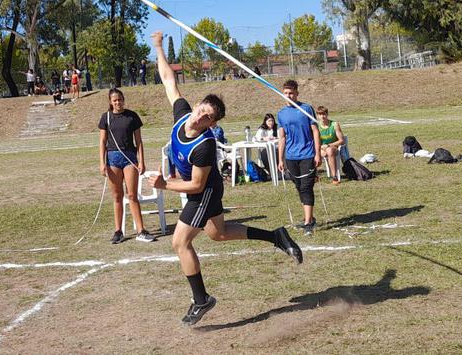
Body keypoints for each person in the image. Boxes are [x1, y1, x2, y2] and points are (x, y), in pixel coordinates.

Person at [146, 31, 303, 326]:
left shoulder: (204, 146)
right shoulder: (182, 115)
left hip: (203, 190)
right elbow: (169, 80)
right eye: (201, 110)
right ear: (196, 106)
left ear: (212, 124)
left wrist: (163, 184)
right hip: (200, 188)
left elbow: (195, 186)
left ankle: (201, 299)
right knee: (217, 234)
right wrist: (158, 46)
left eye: (207, 118)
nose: (200, 117)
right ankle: (276, 236)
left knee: (180, 243)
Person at [98, 88, 154, 244]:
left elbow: (139, 141)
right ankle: (118, 231)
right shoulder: (106, 118)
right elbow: (102, 141)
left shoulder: (132, 116)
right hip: (112, 159)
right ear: (110, 102)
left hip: (129, 158)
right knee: (117, 197)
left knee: (132, 195)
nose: (118, 103)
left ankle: (141, 230)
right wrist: (102, 162)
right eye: (115, 100)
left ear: (124, 100)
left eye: (120, 99)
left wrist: (141, 161)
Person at [276, 79, 321, 235]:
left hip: (307, 153)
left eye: (291, 93)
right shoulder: (281, 114)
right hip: (291, 156)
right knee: (298, 187)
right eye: (286, 93)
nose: (289, 96)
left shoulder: (306, 108)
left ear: (297, 93)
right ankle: (309, 217)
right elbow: (282, 137)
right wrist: (280, 159)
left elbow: (315, 131)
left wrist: (317, 152)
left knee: (306, 187)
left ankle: (308, 222)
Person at [316, 106, 346, 184]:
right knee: (311, 150)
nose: (322, 116)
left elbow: (341, 140)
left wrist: (329, 145)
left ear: (327, 114)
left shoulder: (334, 124)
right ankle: (314, 176)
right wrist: (320, 149)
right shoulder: (316, 126)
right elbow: (315, 141)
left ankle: (334, 176)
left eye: (324, 114)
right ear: (317, 116)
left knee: (329, 151)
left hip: (333, 147)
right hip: (321, 149)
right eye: (320, 114)